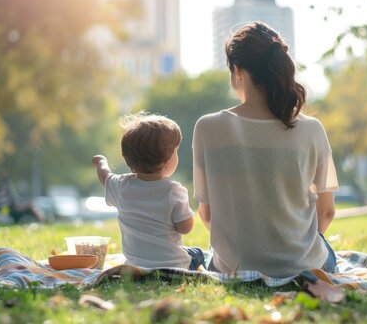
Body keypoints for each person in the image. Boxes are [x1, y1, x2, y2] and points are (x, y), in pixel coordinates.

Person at [192, 22, 339, 278]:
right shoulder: (312, 129)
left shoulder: (207, 127)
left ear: (237, 70)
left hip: (233, 267)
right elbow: (326, 212)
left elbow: (207, 214)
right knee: (322, 249)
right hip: (303, 265)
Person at [92, 113, 205, 270]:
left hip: (136, 265)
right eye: (176, 151)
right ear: (167, 161)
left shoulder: (121, 186)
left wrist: (100, 162)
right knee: (198, 253)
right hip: (174, 265)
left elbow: (105, 176)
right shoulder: (174, 191)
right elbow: (184, 228)